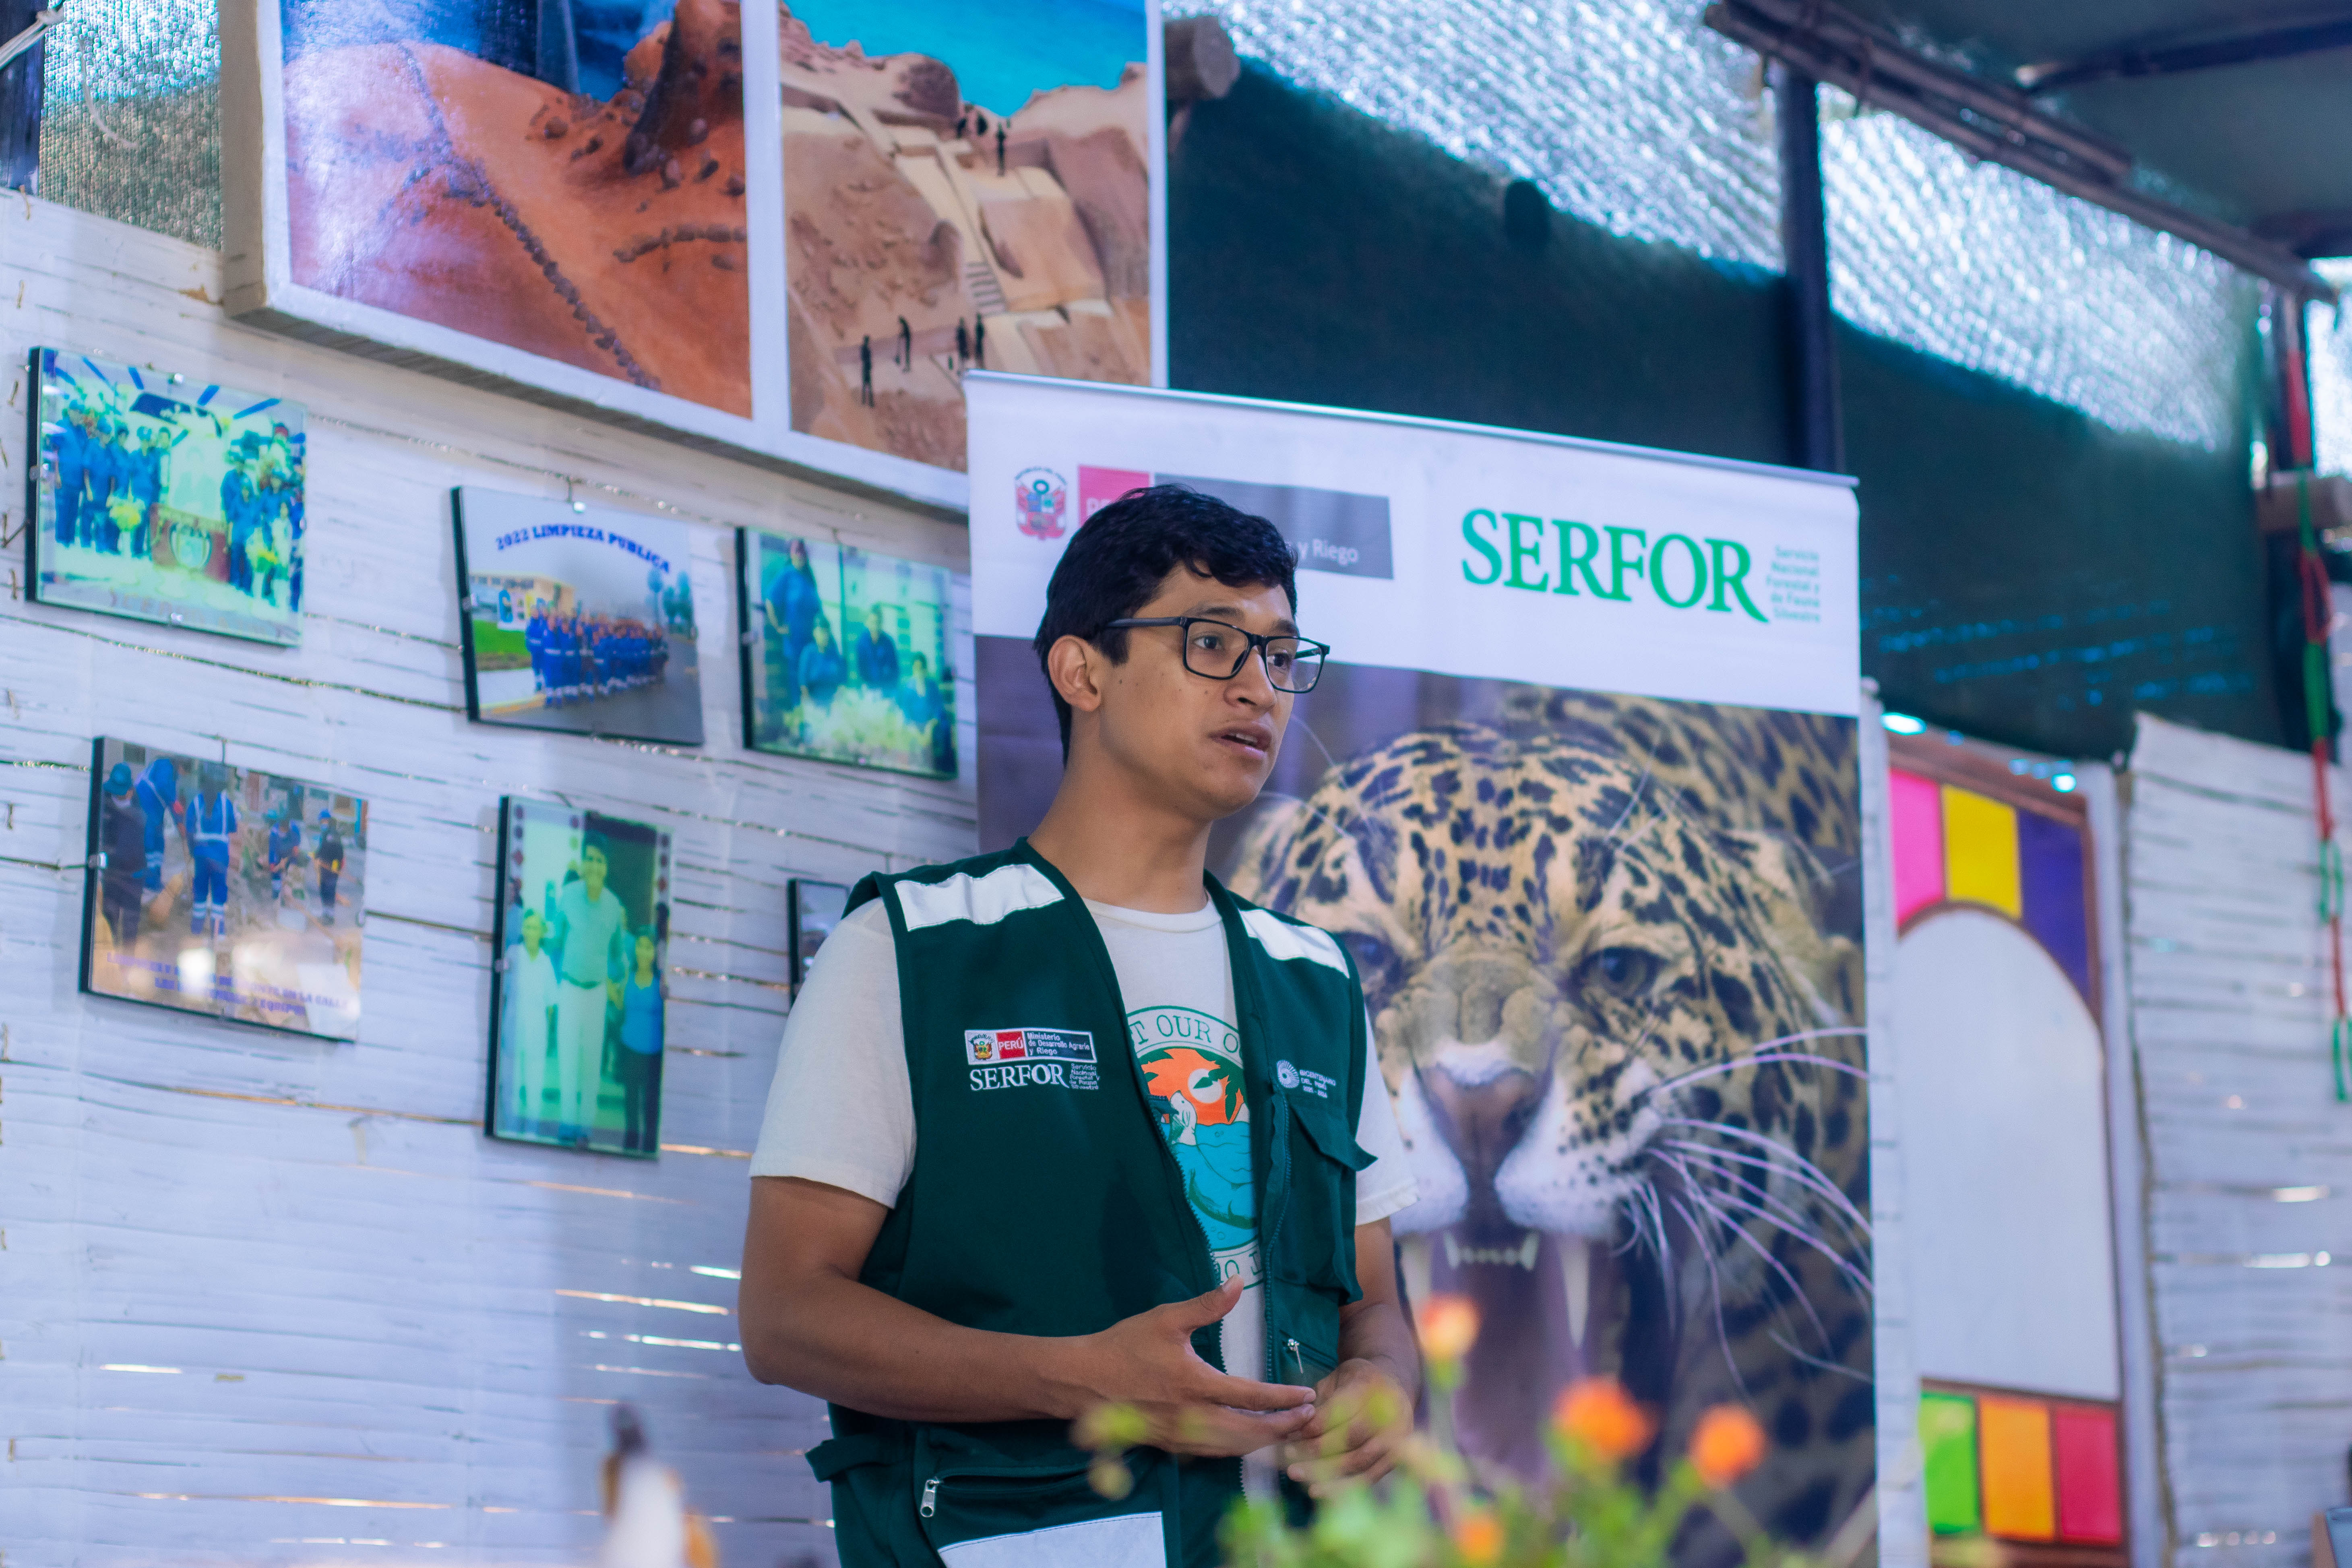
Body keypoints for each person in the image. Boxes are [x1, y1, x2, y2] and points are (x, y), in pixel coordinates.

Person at [739, 486, 1418, 1567]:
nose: (1258, 685)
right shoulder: (916, 943)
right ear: (1081, 669)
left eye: (1281, 655)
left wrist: (1383, 1385)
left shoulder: (1316, 976)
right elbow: (784, 1315)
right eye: (1212, 642)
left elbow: (1373, 1301)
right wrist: (1082, 1376)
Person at [550, 833, 630, 1145]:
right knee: (567, 1057)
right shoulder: (568, 895)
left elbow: (618, 957)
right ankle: (567, 1125)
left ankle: (585, 1128)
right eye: (590, 860)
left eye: (600, 861)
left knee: (591, 1062)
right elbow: (556, 941)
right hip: (570, 988)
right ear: (583, 865)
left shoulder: (613, 906)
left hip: (597, 993)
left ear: (606, 868)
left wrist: (618, 984)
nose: (594, 866)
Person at [503, 908, 560, 1138]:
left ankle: (532, 1132)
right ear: (523, 930)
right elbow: (503, 990)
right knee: (512, 1083)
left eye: (535, 928)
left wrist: (544, 1032)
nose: (531, 932)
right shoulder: (513, 954)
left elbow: (551, 1004)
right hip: (514, 1025)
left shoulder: (546, 963)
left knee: (535, 1082)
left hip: (537, 1030)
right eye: (528, 927)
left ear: (541, 933)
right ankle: (510, 1128)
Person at [614, 923, 665, 1154]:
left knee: (651, 1104)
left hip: (654, 1052)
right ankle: (631, 1142)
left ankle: (649, 1147)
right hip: (629, 1047)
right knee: (631, 1102)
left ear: (655, 953)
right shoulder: (628, 977)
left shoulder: (662, 984)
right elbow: (620, 1007)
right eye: (640, 947)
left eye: (648, 948)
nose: (643, 952)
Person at [185, 767, 239, 941]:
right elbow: (233, 827)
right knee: (219, 894)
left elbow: (189, 830)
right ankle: (218, 932)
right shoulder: (226, 803)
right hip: (220, 857)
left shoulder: (195, 802)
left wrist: (194, 850)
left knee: (200, 893)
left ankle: (196, 930)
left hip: (201, 856)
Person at [98, 762, 147, 948]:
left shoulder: (139, 813)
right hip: (111, 873)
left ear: (131, 791)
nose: (117, 795)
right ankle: (110, 958)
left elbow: (146, 844)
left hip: (134, 875)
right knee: (109, 917)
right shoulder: (103, 802)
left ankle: (127, 964)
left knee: (131, 923)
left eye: (122, 792)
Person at [797, 615, 845, 711]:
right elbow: (803, 683)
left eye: (826, 632)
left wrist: (838, 700)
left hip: (833, 703)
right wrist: (811, 706)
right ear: (815, 633)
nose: (824, 636)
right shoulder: (808, 653)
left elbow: (842, 680)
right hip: (814, 703)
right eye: (821, 632)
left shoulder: (834, 654)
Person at [850, 604, 900, 692]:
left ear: (882, 623)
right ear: (867, 623)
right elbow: (860, 670)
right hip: (868, 689)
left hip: (886, 690)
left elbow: (895, 671)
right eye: (873, 622)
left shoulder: (889, 643)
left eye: (878, 623)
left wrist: (890, 690)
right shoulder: (861, 643)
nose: (875, 626)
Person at [314, 810, 345, 926]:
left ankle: (330, 916)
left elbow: (337, 852)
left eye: (323, 821)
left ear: (327, 821)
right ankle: (326, 914)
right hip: (326, 867)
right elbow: (323, 849)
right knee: (325, 890)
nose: (322, 824)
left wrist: (335, 866)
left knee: (329, 891)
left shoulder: (332, 834)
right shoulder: (326, 833)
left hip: (332, 868)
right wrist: (316, 855)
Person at [267, 810, 302, 903]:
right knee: (276, 875)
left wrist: (290, 859)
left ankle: (288, 897)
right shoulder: (275, 831)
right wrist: (272, 863)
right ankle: (276, 895)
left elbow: (295, 848)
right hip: (278, 854)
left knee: (290, 875)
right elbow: (272, 849)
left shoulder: (294, 829)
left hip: (290, 855)